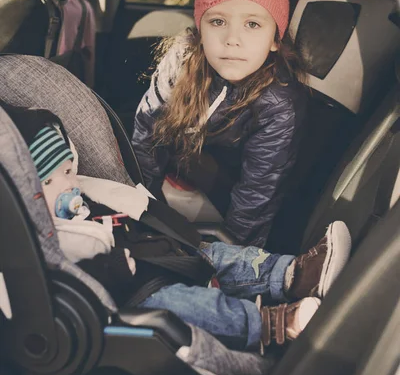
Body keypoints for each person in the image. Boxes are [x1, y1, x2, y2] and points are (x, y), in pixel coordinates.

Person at [6, 103, 351, 353]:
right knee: (196, 306)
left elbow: (132, 208)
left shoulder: (86, 196)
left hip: (160, 252)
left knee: (221, 255)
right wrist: (110, 268)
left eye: (68, 171)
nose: (67, 185)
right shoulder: (38, 240)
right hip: (138, 292)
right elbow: (64, 282)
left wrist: (169, 234)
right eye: (49, 180)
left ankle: (293, 274)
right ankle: (272, 325)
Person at [132, 0, 308, 247]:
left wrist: (229, 258)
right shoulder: (182, 61)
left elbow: (256, 197)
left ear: (275, 40)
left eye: (252, 24)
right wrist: (139, 213)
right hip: (182, 175)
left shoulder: (279, 104)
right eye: (218, 22)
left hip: (231, 197)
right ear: (200, 28)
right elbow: (145, 140)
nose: (232, 40)